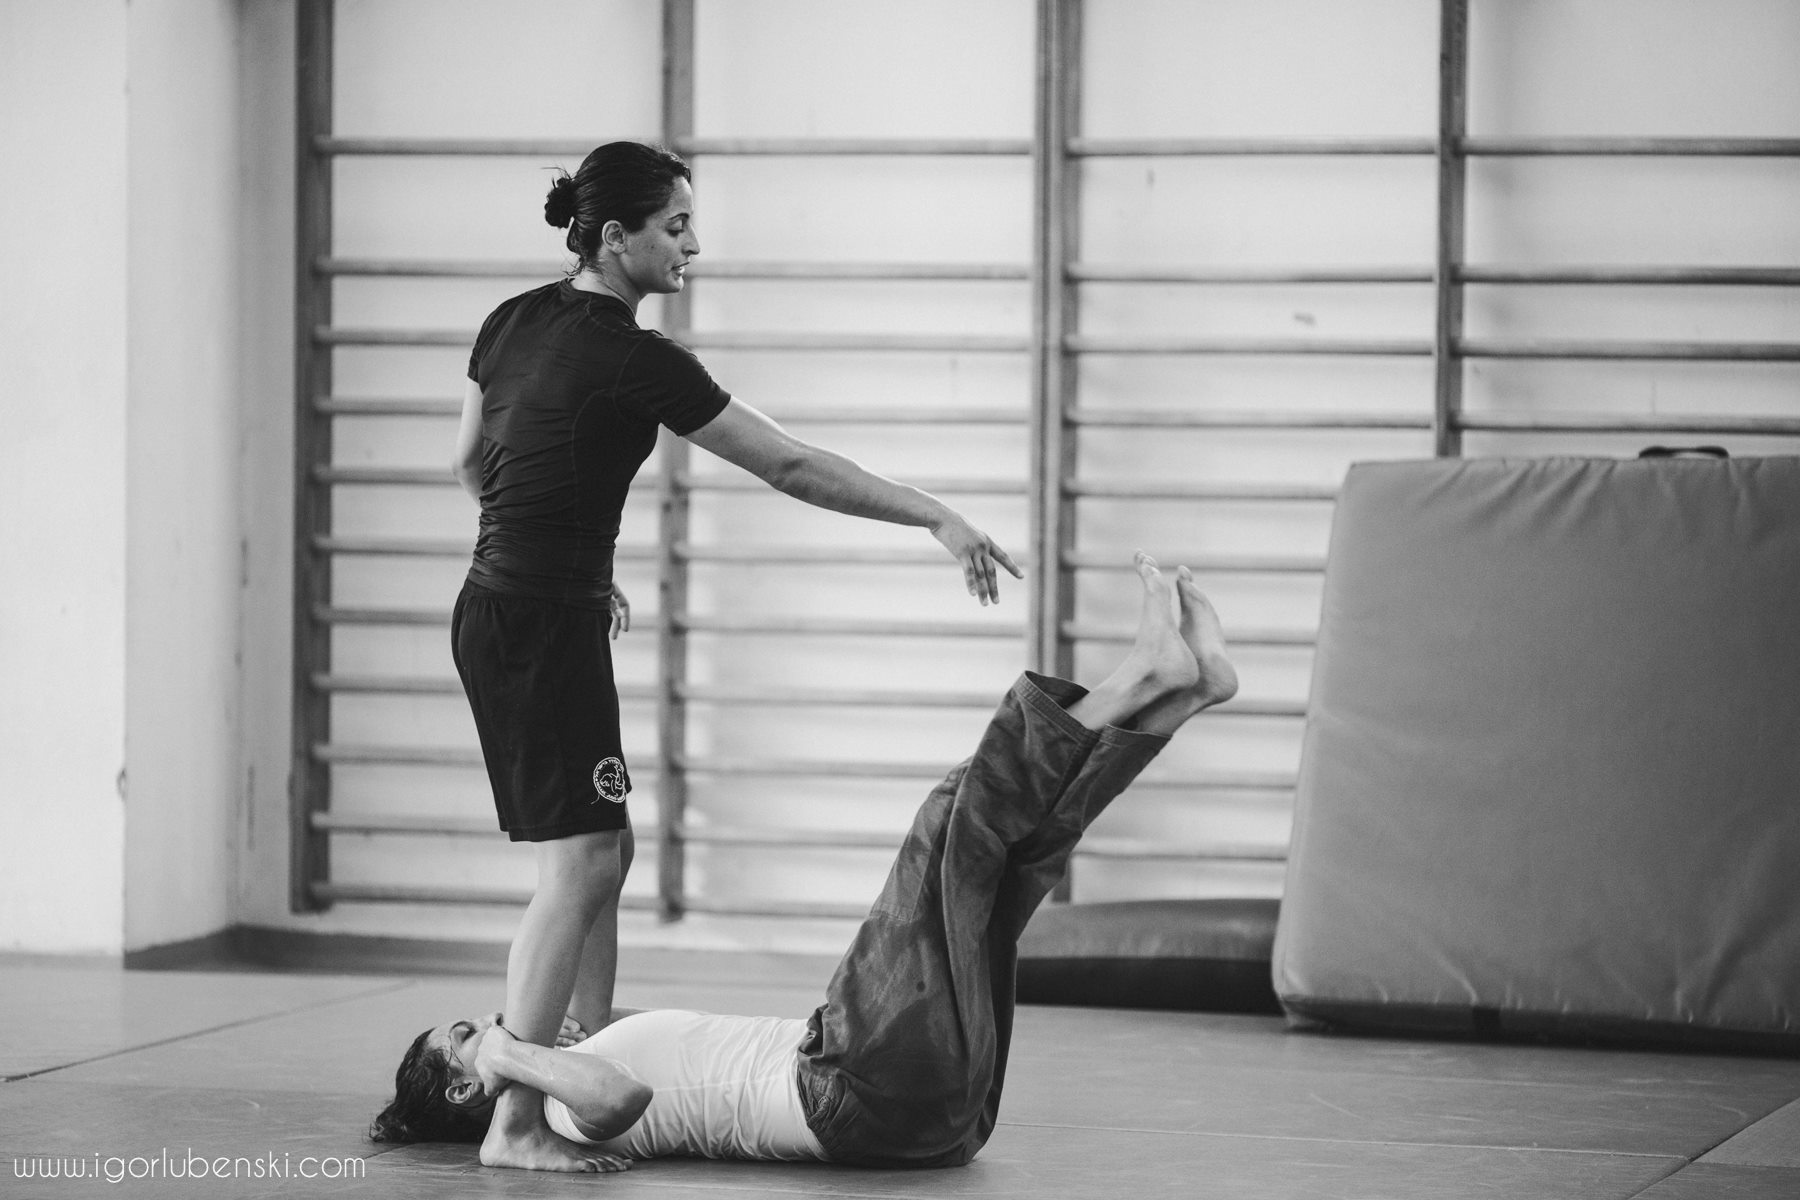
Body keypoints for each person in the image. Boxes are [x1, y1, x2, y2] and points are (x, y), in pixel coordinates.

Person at [445, 140, 1022, 1172]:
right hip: (535, 622)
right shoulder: (637, 356)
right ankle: (517, 1118)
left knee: (604, 847)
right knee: (579, 864)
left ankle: (583, 1046)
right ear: (614, 238)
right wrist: (934, 515)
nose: (693, 245)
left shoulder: (512, 319)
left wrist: (559, 557)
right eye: (675, 226)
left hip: (510, 608)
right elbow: (790, 465)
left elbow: (470, 461)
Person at [372, 553, 1239, 1172]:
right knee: (953, 820)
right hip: (853, 1084)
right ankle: (1140, 677)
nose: (487, 1021)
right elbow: (618, 1100)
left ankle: (1182, 696)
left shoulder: (577, 1042)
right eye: (464, 1037)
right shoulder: (554, 1114)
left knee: (1013, 862)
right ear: (466, 1091)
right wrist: (509, 1057)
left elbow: (594, 890)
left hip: (923, 1114)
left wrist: (577, 726)